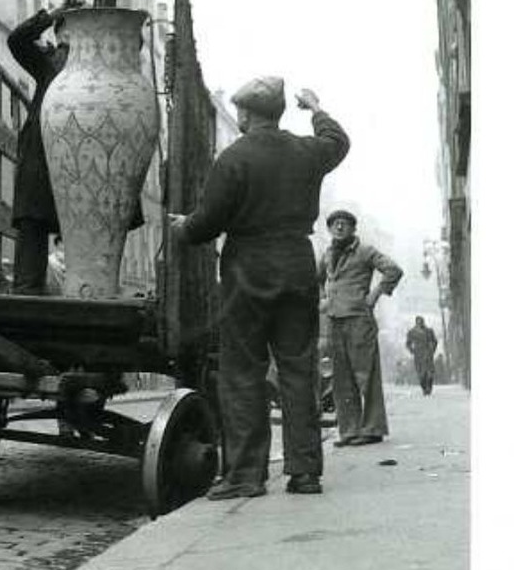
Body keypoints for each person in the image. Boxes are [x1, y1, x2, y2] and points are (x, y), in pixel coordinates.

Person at [168, 79, 349, 499]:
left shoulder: (233, 158)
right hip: (297, 264)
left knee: (243, 370)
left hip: (247, 269)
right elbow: (337, 141)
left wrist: (183, 227)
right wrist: (317, 108)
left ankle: (246, 475)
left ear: (247, 114)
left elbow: (206, 223)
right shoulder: (307, 152)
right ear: (279, 112)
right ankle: (305, 473)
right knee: (298, 368)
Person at [7, 0, 83, 294]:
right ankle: (28, 298)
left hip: (75, 166)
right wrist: (51, 15)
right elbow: (17, 40)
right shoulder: (49, 61)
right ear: (61, 32)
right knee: (32, 237)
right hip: (45, 161)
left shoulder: (96, 61)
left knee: (73, 243)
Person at [319, 209, 404, 445]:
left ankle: (373, 429)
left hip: (359, 320)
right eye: (334, 224)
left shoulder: (365, 251)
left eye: (344, 223)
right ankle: (350, 431)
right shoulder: (327, 255)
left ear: (353, 228)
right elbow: (316, 280)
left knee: (365, 374)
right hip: (335, 321)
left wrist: (375, 294)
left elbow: (393, 270)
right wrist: (322, 300)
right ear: (329, 229)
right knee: (342, 379)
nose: (339, 227)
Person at [406, 315, 440, 395]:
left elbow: (435, 341)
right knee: (420, 373)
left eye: (421, 321)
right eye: (418, 322)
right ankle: (424, 388)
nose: (419, 323)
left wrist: (432, 350)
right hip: (418, 355)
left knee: (430, 372)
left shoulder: (429, 331)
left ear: (423, 322)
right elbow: (408, 343)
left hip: (428, 354)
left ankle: (429, 387)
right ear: (416, 322)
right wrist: (412, 350)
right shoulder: (412, 332)